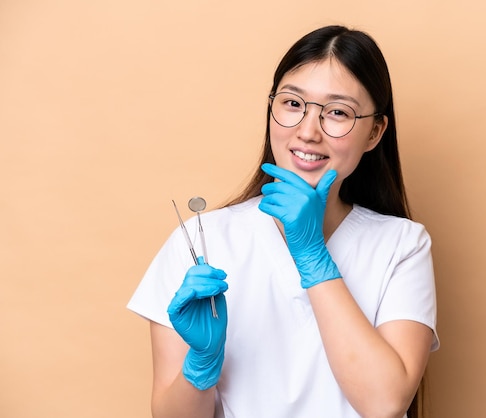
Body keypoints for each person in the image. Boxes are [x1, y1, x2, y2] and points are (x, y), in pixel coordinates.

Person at [128, 25, 439, 418]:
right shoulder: (202, 241)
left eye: (338, 112)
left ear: (375, 132)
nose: (307, 133)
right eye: (293, 104)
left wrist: (311, 254)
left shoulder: (403, 245)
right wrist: (201, 367)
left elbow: (385, 404)